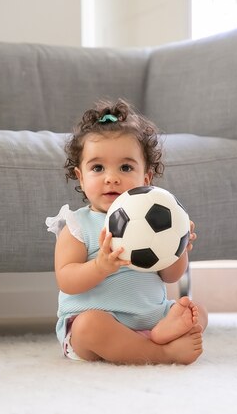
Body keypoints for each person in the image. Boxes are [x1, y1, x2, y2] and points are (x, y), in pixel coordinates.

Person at [46, 99, 208, 365]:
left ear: (146, 178)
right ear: (80, 176)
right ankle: (161, 353)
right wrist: (100, 266)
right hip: (101, 324)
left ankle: (156, 334)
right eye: (98, 168)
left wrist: (177, 247)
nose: (112, 177)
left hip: (150, 317)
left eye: (125, 167)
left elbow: (171, 276)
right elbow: (67, 280)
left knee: (196, 311)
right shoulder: (78, 225)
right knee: (89, 327)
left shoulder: (159, 216)